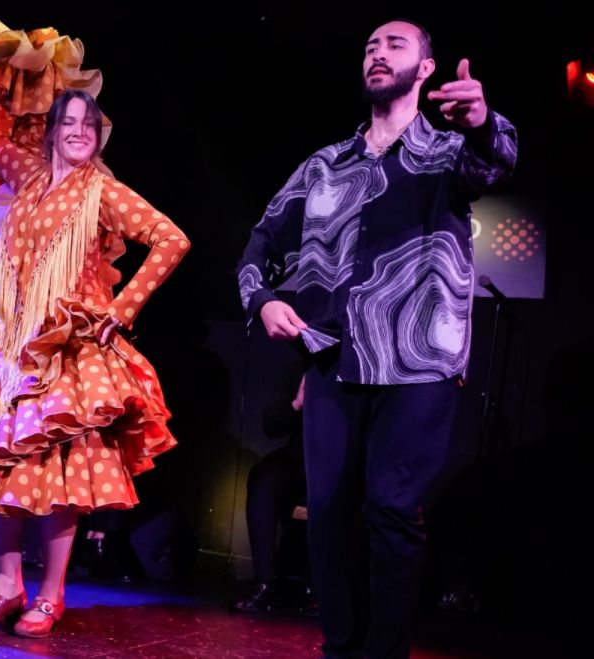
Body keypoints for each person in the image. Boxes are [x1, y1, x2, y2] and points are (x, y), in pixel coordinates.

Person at [236, 18, 517, 658]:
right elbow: (260, 243)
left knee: (392, 510)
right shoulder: (325, 166)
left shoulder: (447, 154)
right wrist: (265, 297)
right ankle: (341, 647)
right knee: (329, 513)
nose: (376, 54)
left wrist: (479, 119)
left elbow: (497, 160)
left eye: (394, 45)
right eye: (368, 46)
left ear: (425, 69)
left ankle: (384, 651)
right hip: (332, 358)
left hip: (418, 363)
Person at [0, 23, 190, 638]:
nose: (81, 132)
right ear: (54, 132)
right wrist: (17, 75)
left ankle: (51, 594)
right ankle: (6, 586)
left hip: (68, 346)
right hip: (11, 344)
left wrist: (123, 308)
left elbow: (171, 239)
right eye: (70, 123)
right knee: (0, 469)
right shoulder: (27, 178)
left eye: (90, 125)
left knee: (59, 476)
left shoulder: (104, 192)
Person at [231, 361, 314, 614]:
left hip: (345, 458)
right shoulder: (304, 365)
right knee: (265, 477)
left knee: (340, 488)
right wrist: (297, 403)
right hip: (301, 455)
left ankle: (320, 590)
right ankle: (265, 583)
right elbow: (271, 425)